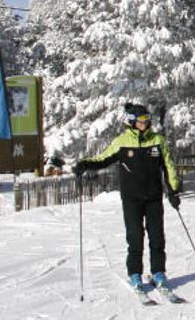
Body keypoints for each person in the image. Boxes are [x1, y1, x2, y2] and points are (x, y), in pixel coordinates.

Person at [74, 103, 180, 291]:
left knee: (157, 236)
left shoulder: (157, 140)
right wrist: (85, 164)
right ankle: (135, 273)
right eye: (141, 120)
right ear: (132, 121)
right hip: (132, 198)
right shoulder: (122, 141)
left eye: (147, 119)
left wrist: (173, 190)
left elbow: (168, 166)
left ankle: (158, 272)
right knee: (135, 236)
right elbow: (103, 159)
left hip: (153, 196)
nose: (146, 122)